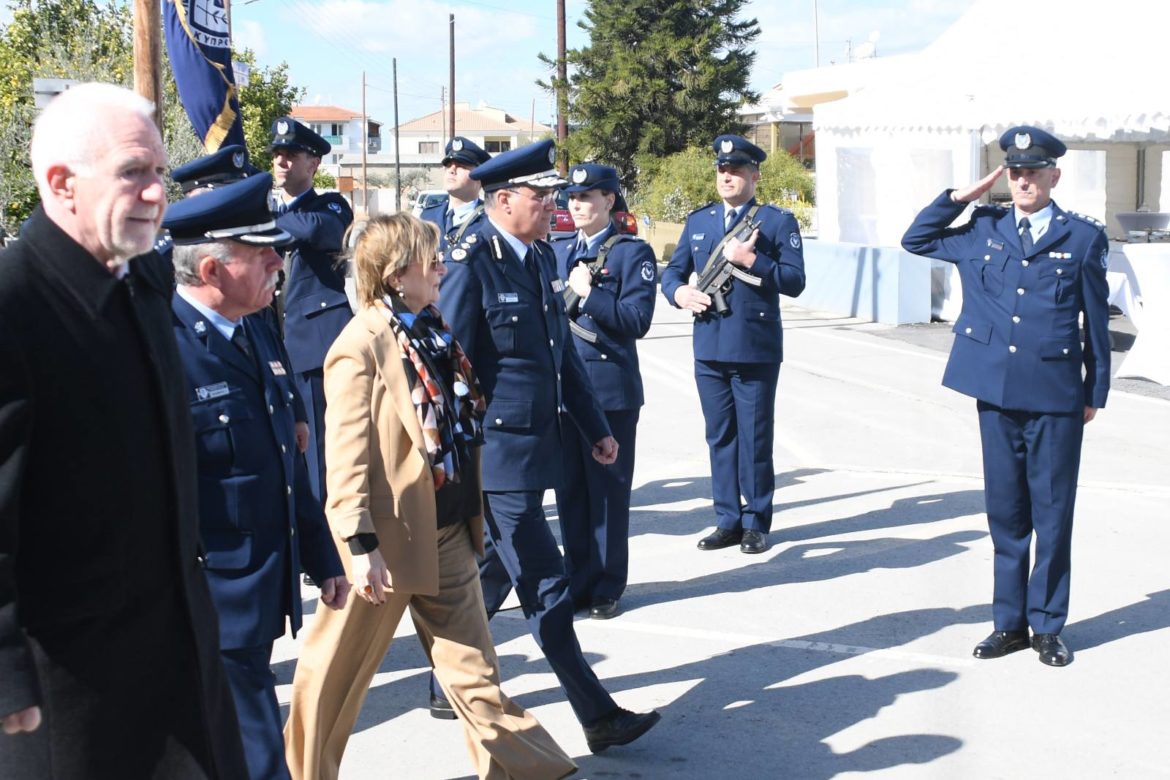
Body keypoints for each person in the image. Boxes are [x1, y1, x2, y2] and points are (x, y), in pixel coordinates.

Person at [0, 82, 247, 778]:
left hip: (179, 657)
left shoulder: (142, 284)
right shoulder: (15, 303)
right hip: (74, 691)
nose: (155, 192)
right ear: (62, 184)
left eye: (159, 173)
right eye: (133, 173)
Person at [283, 213, 577, 780]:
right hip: (383, 543)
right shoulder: (360, 344)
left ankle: (538, 772)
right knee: (331, 679)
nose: (443, 267)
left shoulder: (430, 326)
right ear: (396, 274)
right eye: (431, 259)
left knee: (474, 675)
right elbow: (345, 455)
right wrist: (358, 542)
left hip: (445, 531)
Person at [437, 139, 661, 753]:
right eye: (542, 196)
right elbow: (447, 367)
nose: (554, 206)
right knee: (546, 582)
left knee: (489, 570)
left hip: (540, 447)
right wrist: (456, 459)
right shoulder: (469, 262)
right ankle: (597, 715)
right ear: (504, 200)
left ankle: (446, 676)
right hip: (498, 456)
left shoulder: (536, 257)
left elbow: (561, 360)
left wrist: (596, 429)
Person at [901, 125, 1111, 667]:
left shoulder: (1083, 237)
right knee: (1006, 514)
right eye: (1014, 172)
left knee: (1053, 513)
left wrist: (1096, 391)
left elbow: (1096, 323)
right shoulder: (983, 226)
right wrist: (959, 198)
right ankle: (1008, 624)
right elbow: (916, 239)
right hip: (994, 389)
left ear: (1053, 176)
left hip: (1056, 394)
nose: (1023, 181)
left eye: (1033, 172)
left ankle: (1047, 627)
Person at [163, 172, 351, 778]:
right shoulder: (162, 346)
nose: (278, 259)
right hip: (206, 596)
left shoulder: (253, 329)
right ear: (212, 270)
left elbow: (283, 460)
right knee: (259, 752)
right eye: (259, 250)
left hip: (255, 592)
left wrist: (321, 556)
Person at [659, 134, 807, 555]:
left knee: (755, 437)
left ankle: (757, 521)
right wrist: (678, 294)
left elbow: (795, 281)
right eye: (722, 170)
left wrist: (752, 260)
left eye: (736, 169)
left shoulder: (776, 222)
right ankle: (727, 519)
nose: (727, 176)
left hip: (754, 347)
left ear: (754, 174)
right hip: (708, 346)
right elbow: (673, 272)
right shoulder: (700, 220)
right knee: (719, 436)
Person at [550, 163, 656, 619]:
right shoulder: (554, 250)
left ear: (609, 201)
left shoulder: (633, 253)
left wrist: (590, 295)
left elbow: (637, 321)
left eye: (587, 197)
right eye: (572, 197)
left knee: (608, 494)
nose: (577, 205)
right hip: (562, 392)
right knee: (571, 491)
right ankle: (578, 578)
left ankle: (607, 584)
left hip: (608, 391)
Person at [270, 117, 355, 504]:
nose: (282, 162)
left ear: (314, 163)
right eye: (277, 155)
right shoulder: (269, 210)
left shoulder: (330, 205)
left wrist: (260, 217)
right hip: (271, 345)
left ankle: (329, 550)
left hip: (313, 350)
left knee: (320, 453)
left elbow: (317, 230)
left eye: (291, 155)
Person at [420, 135, 491, 252]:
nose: (452, 170)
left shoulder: (491, 219)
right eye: (448, 166)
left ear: (480, 177)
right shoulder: (427, 216)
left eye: (461, 166)